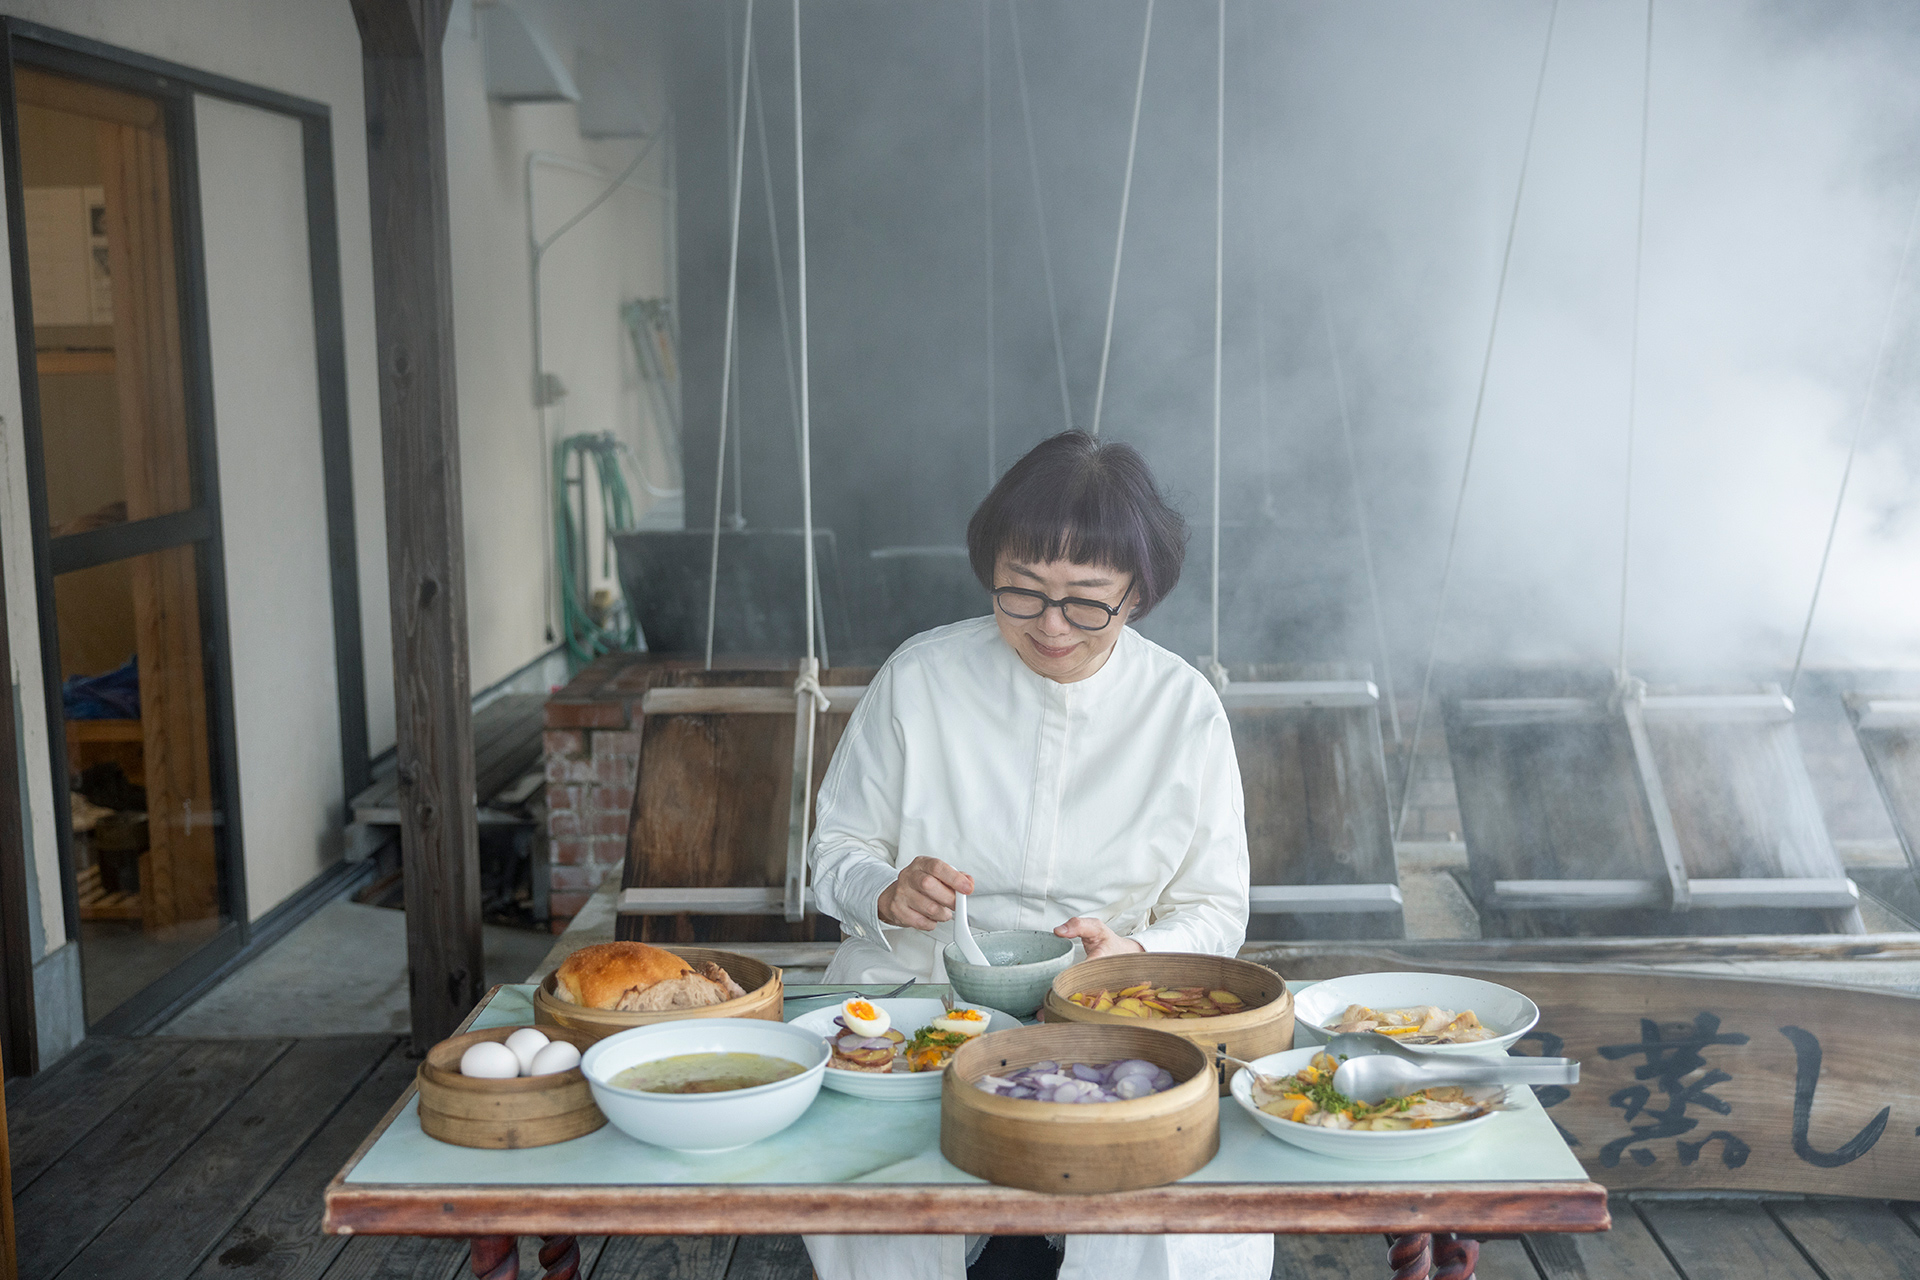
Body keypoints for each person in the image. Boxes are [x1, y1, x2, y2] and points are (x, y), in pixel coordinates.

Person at [803, 432, 1269, 1280]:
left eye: (1086, 602)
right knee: (876, 1203)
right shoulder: (923, 677)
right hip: (919, 1003)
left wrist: (1134, 957)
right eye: (1021, 594)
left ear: (1138, 595)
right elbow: (835, 849)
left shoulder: (1183, 710)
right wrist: (883, 890)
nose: (1051, 627)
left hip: (1109, 1018)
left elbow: (1215, 903)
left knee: (1176, 1216)